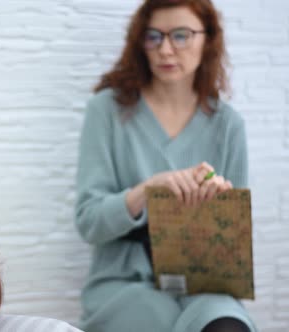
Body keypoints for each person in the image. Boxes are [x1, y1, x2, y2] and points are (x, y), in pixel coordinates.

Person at [75, 0, 257, 331]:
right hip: (124, 283)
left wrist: (217, 206)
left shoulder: (228, 125)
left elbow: (235, 243)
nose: (166, 49)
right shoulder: (107, 111)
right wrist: (146, 190)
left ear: (208, 40)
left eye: (181, 35)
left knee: (227, 326)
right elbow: (89, 223)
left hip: (205, 284)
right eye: (153, 36)